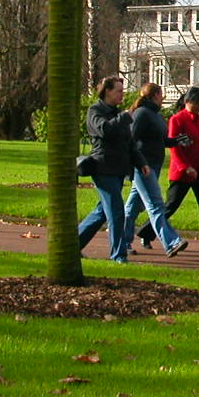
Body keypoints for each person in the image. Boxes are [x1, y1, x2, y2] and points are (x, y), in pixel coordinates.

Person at [141, 87, 199, 254]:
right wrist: (185, 167)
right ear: (188, 102)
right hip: (183, 172)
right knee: (171, 205)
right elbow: (174, 148)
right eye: (198, 103)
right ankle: (147, 232)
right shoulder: (177, 120)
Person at [77, 76, 147, 262]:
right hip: (103, 167)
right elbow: (104, 130)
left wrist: (141, 163)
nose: (121, 95)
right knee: (116, 212)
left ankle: (73, 244)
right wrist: (124, 117)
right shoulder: (95, 111)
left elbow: (129, 143)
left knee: (102, 211)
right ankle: (118, 255)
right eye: (118, 91)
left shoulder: (117, 113)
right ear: (107, 91)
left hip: (118, 169)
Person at [122, 83, 189, 258]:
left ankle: (122, 241)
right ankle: (171, 242)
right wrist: (134, 164)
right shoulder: (142, 114)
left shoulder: (155, 115)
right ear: (155, 95)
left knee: (133, 207)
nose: (163, 97)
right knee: (155, 204)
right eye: (161, 94)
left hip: (153, 165)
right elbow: (131, 139)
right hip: (144, 166)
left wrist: (176, 141)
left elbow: (159, 140)